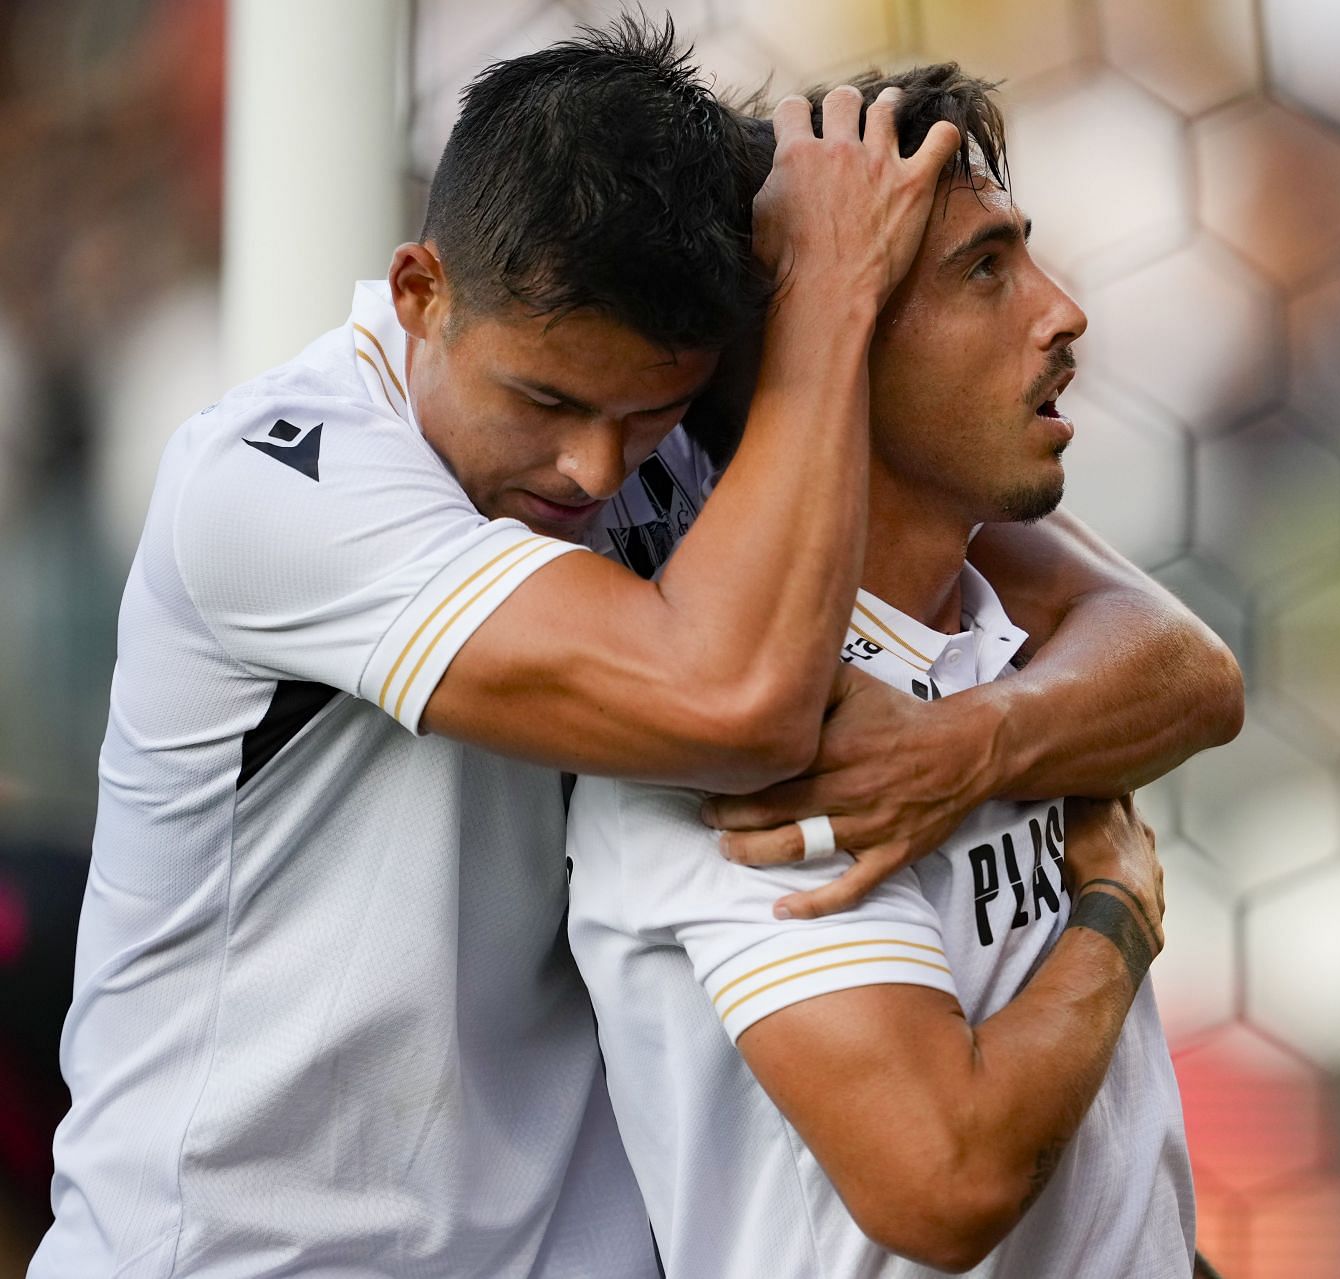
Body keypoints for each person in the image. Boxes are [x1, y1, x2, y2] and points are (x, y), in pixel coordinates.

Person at [32, 19, 1242, 1279]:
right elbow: (732, 703)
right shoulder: (277, 479)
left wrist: (970, 741)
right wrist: (829, 287)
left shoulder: (694, 440)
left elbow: (1184, 662)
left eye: (652, 411)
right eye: (546, 402)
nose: (598, 469)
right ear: (420, 293)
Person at [567, 68, 1215, 1278]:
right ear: (838, 332)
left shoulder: (999, 628)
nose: (1063, 312)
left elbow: (1202, 675)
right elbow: (944, 1180)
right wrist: (1115, 917)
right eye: (985, 271)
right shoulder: (738, 735)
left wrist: (979, 740)